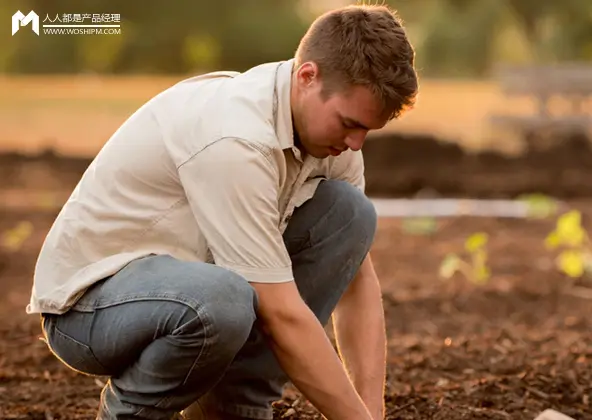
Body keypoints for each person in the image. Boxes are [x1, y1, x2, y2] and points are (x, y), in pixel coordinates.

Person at [27, 4, 418, 420]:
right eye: (348, 123)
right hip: (90, 306)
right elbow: (280, 312)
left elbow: (355, 279)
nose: (357, 143)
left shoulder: (331, 141)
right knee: (224, 301)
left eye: (367, 131)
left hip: (188, 286)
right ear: (307, 77)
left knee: (350, 214)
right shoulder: (237, 140)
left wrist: (372, 412)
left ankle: (230, 409)